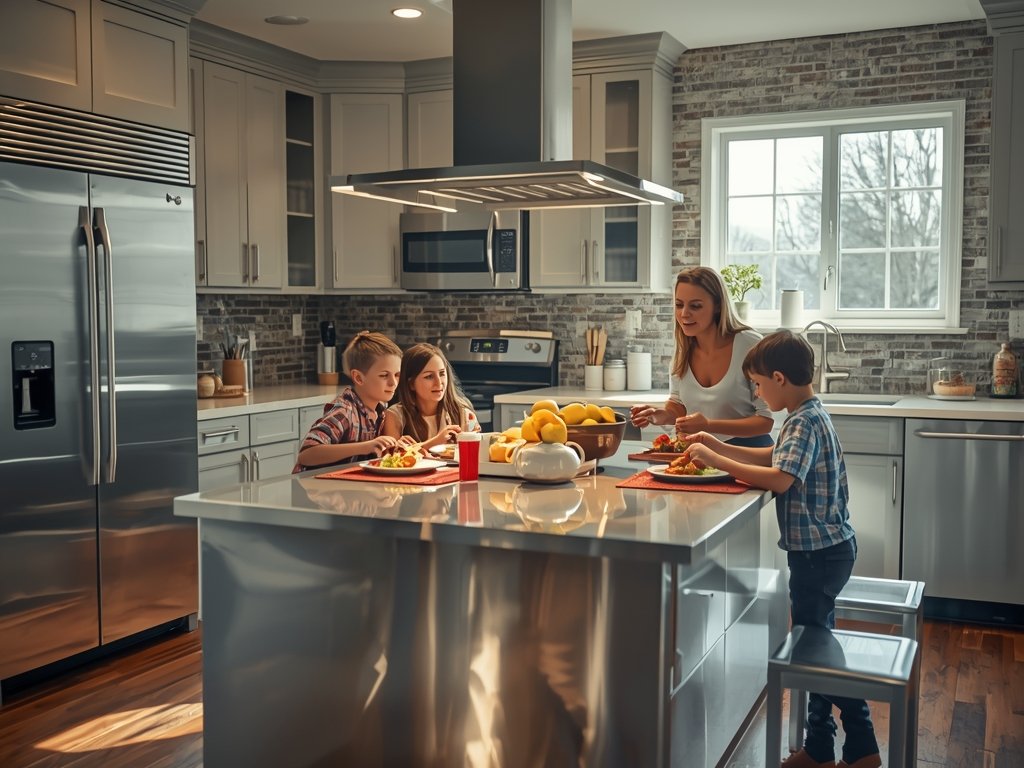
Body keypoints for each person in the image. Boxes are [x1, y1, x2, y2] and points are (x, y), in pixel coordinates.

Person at [683, 330, 880, 768]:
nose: (755, 392)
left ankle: (862, 745)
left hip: (819, 555)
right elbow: (777, 458)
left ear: (778, 378)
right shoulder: (806, 413)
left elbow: (780, 478)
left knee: (814, 654)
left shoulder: (804, 420)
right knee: (815, 647)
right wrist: (717, 445)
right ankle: (821, 749)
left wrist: (717, 461)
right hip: (824, 550)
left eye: (757, 384)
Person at [630, 266, 773, 447]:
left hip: (750, 459)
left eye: (695, 306)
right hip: (702, 461)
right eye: (679, 304)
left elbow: (766, 421)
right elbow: (678, 404)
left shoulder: (749, 344)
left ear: (718, 306)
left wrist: (707, 425)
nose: (684, 314)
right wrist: (660, 415)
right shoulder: (683, 348)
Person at [292, 331, 406, 473]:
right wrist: (366, 446)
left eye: (397, 375)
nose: (393, 382)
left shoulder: (379, 409)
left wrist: (394, 446)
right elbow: (307, 455)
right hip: (312, 490)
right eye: (384, 375)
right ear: (358, 378)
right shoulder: (345, 411)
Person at [381, 342, 479, 451]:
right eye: (429, 376)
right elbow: (391, 458)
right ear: (411, 384)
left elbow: (477, 453)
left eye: (442, 374)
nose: (439, 382)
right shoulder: (394, 416)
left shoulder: (464, 415)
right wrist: (436, 442)